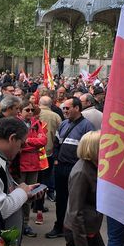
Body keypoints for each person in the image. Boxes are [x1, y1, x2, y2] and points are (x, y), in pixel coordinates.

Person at [0, 117, 39, 246]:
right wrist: (22, 192)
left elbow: (5, 194)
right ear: (12, 138)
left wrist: (26, 194)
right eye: (21, 145)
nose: (21, 150)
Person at [46, 97, 94, 238]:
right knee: (61, 199)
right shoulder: (63, 124)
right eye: (64, 108)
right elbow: (56, 143)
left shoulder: (87, 126)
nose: (65, 111)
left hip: (77, 169)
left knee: (76, 201)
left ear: (77, 108)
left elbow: (88, 149)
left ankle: (75, 228)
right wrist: (55, 159)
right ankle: (59, 226)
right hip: (61, 168)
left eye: (68, 108)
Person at [18, 98, 47, 238]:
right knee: (18, 194)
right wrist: (31, 145)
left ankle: (25, 224)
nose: (30, 112)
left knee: (30, 196)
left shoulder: (36, 124)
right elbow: (18, 144)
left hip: (34, 164)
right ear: (20, 111)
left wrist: (28, 141)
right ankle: (16, 224)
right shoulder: (17, 123)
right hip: (20, 165)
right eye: (27, 110)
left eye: (32, 110)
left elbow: (43, 141)